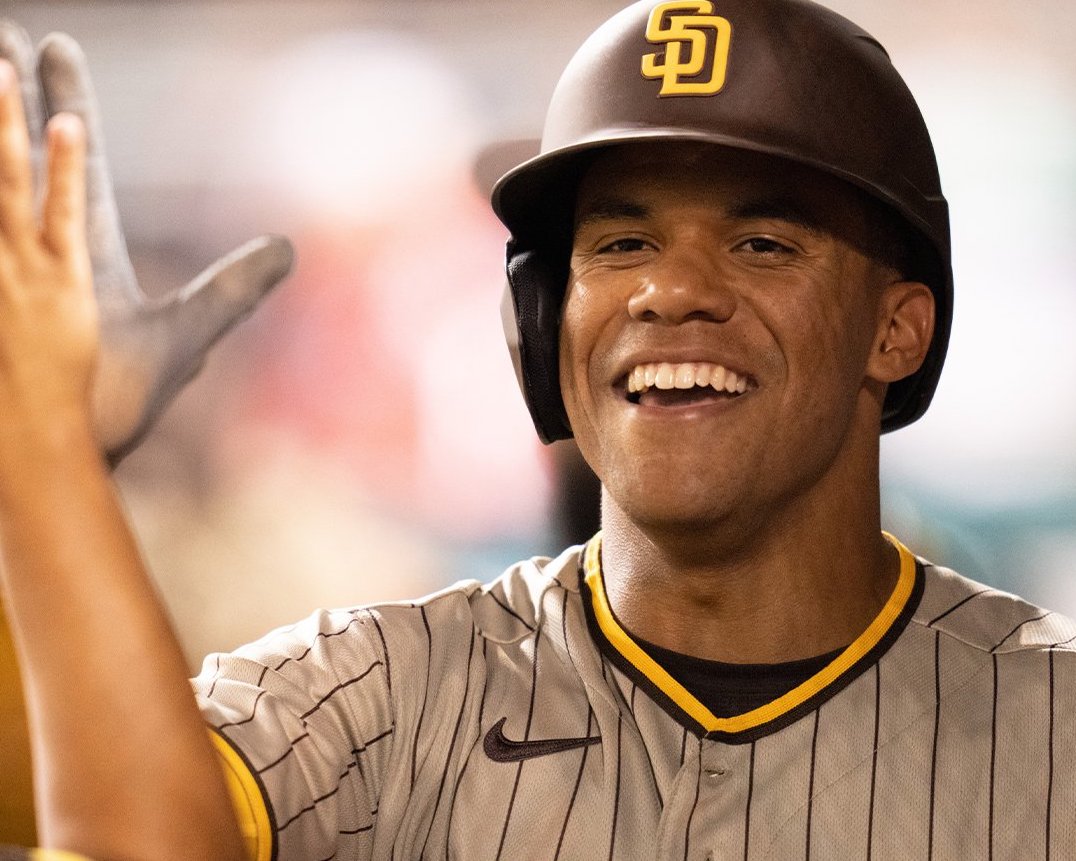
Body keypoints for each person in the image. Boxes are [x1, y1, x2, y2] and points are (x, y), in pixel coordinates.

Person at [0, 0, 1073, 859]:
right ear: (540, 320)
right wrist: (41, 459)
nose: (667, 291)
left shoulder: (1053, 725)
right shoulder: (383, 691)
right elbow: (133, 835)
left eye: (760, 243)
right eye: (620, 243)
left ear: (896, 330)